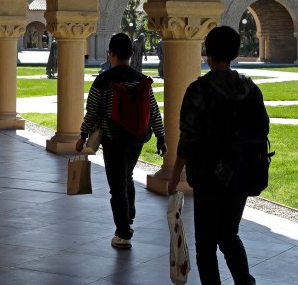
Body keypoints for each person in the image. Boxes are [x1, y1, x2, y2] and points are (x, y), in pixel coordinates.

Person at [167, 25, 269, 285]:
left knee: (206, 243)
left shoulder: (199, 90)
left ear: (207, 54)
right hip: (242, 172)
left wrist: (175, 175)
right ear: (235, 53)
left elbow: (188, 138)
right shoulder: (250, 89)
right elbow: (263, 127)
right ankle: (245, 281)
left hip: (208, 175)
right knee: (229, 234)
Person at [77, 33, 166, 250]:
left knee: (116, 187)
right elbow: (154, 110)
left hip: (113, 139)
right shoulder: (141, 80)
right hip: (137, 139)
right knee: (127, 176)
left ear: (111, 54)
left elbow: (92, 112)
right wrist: (161, 138)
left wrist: (83, 135)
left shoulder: (103, 81)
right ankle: (129, 214)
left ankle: (123, 233)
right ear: (132, 53)